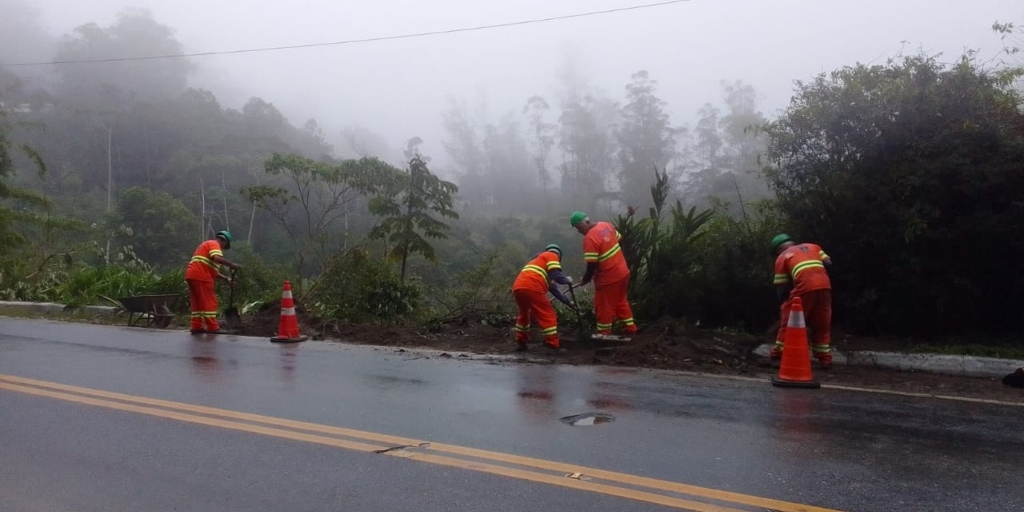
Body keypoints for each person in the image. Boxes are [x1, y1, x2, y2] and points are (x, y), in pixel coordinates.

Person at [569, 211, 637, 338]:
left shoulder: (589, 239)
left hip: (608, 279)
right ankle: (630, 328)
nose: (579, 231)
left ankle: (603, 333)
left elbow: (591, 264)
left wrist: (586, 279)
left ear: (585, 223)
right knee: (621, 301)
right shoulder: (606, 225)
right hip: (623, 272)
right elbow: (619, 239)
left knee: (603, 305)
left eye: (578, 228)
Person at [770, 233, 833, 367]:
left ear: (778, 250)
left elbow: (781, 287)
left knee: (790, 319)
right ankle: (824, 358)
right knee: (821, 320)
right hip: (825, 285)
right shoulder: (813, 246)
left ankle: (778, 354)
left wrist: (783, 306)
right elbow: (828, 262)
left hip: (804, 286)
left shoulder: (782, 257)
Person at [512, 244, 575, 352]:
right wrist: (566, 279)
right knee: (547, 313)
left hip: (518, 287)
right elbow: (557, 275)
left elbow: (557, 292)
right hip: (532, 286)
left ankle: (521, 342)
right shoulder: (551, 255)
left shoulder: (539, 265)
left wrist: (569, 303)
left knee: (524, 313)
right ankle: (552, 344)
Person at [185, 231, 242, 334]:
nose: (223, 249)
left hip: (192, 275)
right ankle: (212, 327)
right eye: (225, 246)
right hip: (202, 276)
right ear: (223, 241)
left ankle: (196, 326)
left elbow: (213, 272)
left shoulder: (205, 246)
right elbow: (217, 258)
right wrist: (232, 265)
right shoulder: (214, 244)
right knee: (209, 301)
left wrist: (226, 279)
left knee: (197, 302)